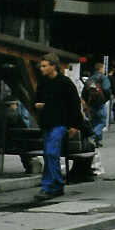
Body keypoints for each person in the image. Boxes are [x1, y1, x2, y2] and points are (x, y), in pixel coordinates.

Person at [32, 53, 82, 201]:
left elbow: (75, 104)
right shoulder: (43, 83)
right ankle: (54, 184)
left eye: (44, 66)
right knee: (49, 154)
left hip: (60, 123)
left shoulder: (65, 83)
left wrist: (74, 125)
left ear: (53, 66)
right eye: (41, 66)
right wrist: (37, 105)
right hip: (48, 123)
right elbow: (36, 100)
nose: (41, 68)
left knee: (51, 153)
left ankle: (51, 185)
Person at [81, 61, 111, 146]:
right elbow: (107, 89)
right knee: (102, 122)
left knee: (94, 122)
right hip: (100, 103)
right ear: (101, 69)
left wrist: (87, 102)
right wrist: (106, 99)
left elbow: (84, 93)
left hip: (91, 104)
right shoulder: (103, 78)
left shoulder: (90, 79)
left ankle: (98, 141)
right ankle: (93, 135)